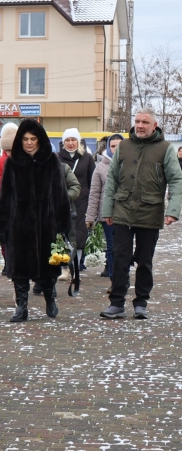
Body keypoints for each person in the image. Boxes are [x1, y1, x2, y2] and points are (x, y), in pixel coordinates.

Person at [100, 108, 182, 319]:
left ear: (154, 125)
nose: (140, 125)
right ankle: (117, 303)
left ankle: (141, 303)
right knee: (120, 259)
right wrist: (107, 209)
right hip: (122, 211)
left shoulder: (164, 149)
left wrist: (173, 210)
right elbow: (112, 180)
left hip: (150, 213)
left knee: (144, 261)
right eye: (137, 121)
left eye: (145, 122)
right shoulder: (124, 146)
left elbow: (176, 179)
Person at [0, 119, 72, 322]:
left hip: (47, 222)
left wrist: (63, 224)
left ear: (40, 140)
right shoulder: (12, 163)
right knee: (19, 268)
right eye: (26, 139)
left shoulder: (52, 160)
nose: (29, 143)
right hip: (19, 224)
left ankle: (50, 298)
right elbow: (5, 195)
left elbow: (60, 194)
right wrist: (1, 224)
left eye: (33, 139)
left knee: (48, 265)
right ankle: (21, 306)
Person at [86, 134, 123, 289]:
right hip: (106, 214)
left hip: (127, 214)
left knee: (123, 248)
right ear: (108, 147)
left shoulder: (131, 164)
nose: (116, 149)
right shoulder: (101, 166)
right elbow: (94, 193)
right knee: (111, 247)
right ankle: (115, 281)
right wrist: (90, 216)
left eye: (119, 145)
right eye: (113, 146)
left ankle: (123, 277)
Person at [57, 128, 96, 278]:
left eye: (73, 140)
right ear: (63, 142)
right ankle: (64, 267)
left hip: (82, 202)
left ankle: (75, 266)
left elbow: (93, 180)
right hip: (63, 200)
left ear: (78, 141)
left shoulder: (87, 158)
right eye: (67, 140)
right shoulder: (57, 157)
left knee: (80, 233)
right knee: (63, 233)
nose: (70, 143)